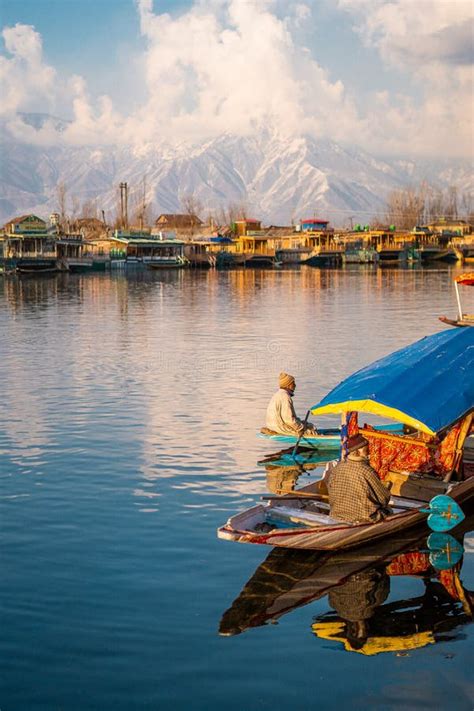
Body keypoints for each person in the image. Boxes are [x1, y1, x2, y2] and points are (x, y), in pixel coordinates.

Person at [327, 433, 391, 523]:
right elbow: (384, 498)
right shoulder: (366, 471)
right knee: (387, 510)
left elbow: (330, 490)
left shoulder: (337, 467)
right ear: (359, 450)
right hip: (364, 518)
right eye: (366, 448)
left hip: (336, 514)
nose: (368, 451)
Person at [264, 372, 316, 436]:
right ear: (288, 385)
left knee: (307, 424)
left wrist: (301, 424)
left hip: (271, 425)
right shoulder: (285, 397)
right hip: (280, 428)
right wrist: (300, 428)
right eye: (293, 383)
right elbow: (288, 420)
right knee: (312, 430)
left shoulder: (278, 394)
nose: (295, 385)